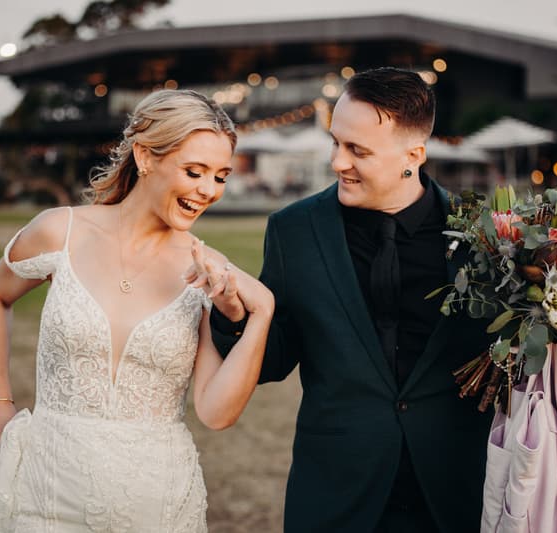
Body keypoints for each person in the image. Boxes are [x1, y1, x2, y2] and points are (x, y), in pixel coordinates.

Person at [0, 89, 274, 532]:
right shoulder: (59, 232)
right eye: (195, 171)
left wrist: (262, 314)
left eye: (220, 177)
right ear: (145, 156)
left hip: (152, 503)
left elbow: (216, 413)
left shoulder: (208, 273)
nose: (207, 191)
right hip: (42, 490)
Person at [201, 68, 494, 532]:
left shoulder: (488, 238)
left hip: (455, 495)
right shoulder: (294, 230)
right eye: (335, 142)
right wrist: (236, 312)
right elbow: (275, 359)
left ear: (412, 156)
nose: (337, 162)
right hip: (335, 497)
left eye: (358, 150)